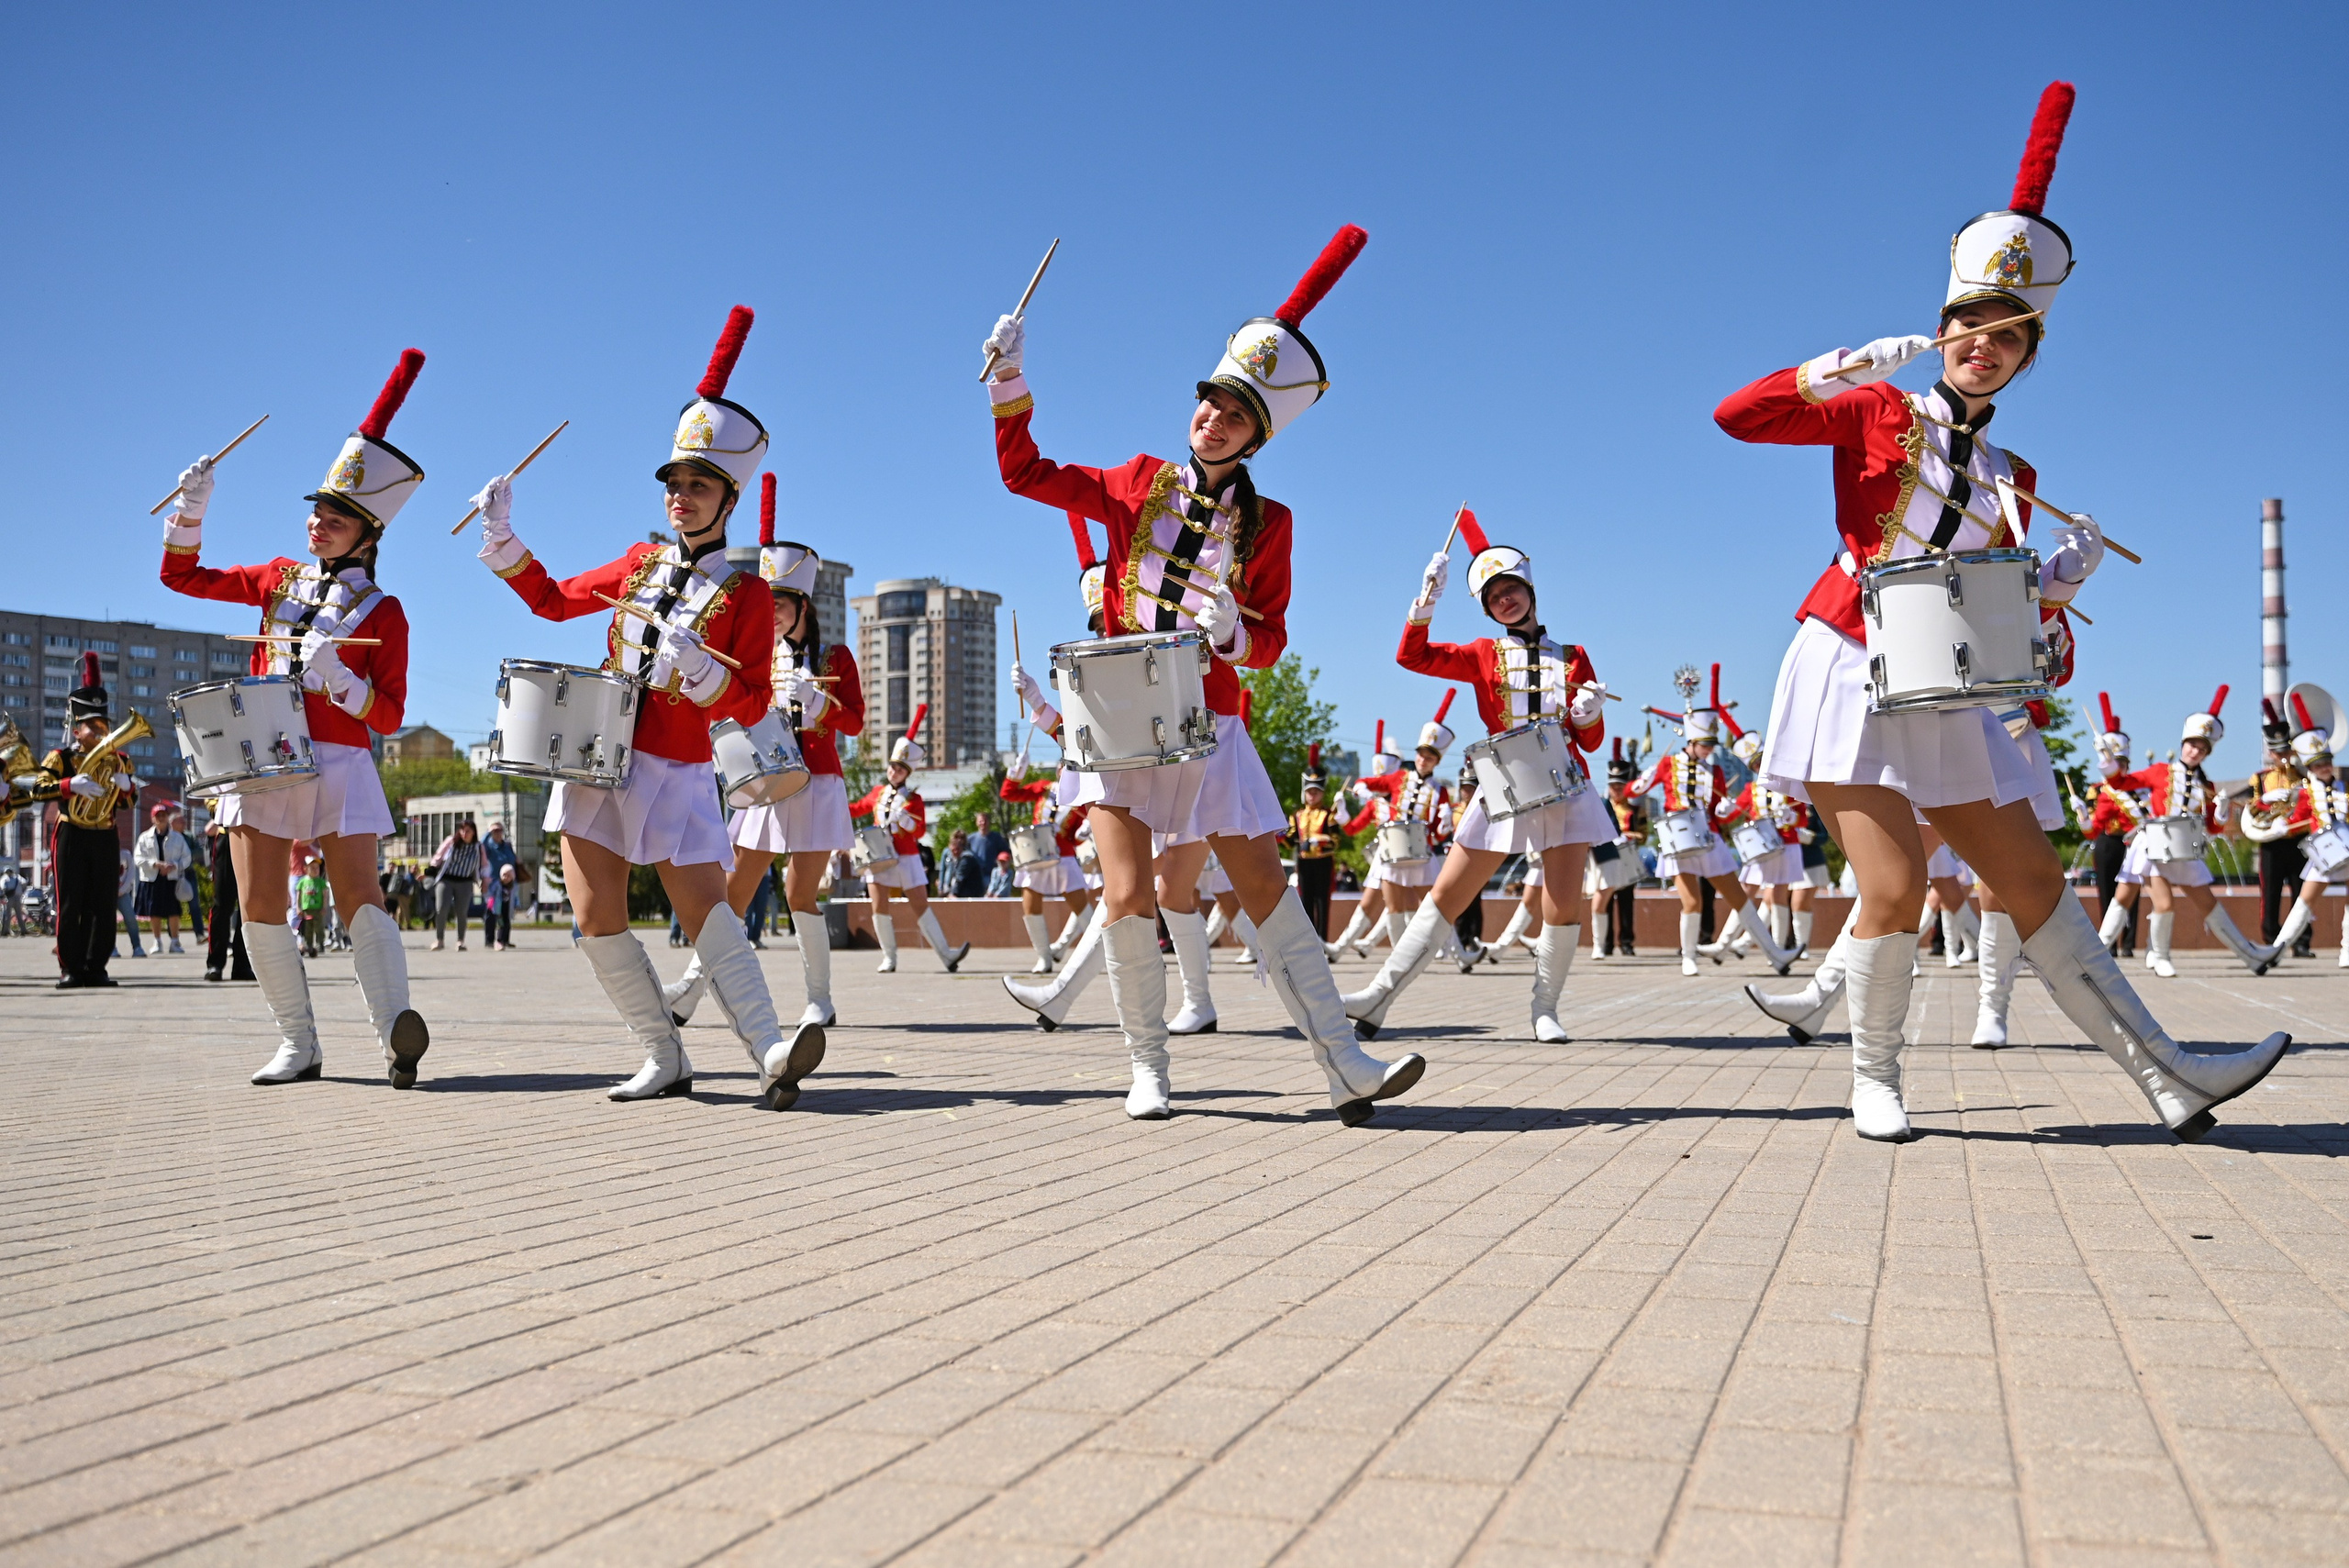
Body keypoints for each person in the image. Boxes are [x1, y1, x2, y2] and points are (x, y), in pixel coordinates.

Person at [1713, 81, 2286, 1141]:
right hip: (1848, 658)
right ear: (1943, 329)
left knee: (2030, 877)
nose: (1986, 345)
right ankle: (1873, 1078)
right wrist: (1833, 366)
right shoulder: (1882, 407)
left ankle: (2168, 1072)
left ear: (2027, 357)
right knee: (1885, 886)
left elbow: (2010, 635)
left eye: (2009, 338)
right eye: (1972, 327)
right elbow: (1736, 418)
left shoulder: (2019, 473)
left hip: (1949, 680)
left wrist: (2053, 589)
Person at [984, 222, 1426, 1123]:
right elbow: (1025, 473)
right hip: (1113, 718)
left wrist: (1233, 632)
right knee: (1124, 890)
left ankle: (1344, 1060)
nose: (1209, 417)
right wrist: (1008, 378)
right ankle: (1147, 1068)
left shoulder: (1273, 523)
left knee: (1263, 886)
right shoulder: (1131, 479)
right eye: (1205, 401)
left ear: (1255, 434)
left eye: (1230, 411)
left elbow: (1273, 640)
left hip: (1210, 722)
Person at [476, 306, 818, 1110]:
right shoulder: (638, 563)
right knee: (594, 914)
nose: (682, 498)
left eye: (699, 486)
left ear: (728, 497)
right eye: (675, 484)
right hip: (596, 756)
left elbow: (757, 699)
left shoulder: (749, 593)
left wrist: (704, 676)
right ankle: (662, 1053)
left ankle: (771, 1048)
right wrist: (505, 539)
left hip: (672, 763)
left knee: (703, 909)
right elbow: (555, 601)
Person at [161, 351, 431, 1086]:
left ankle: (392, 1033)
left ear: (368, 533)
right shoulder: (278, 578)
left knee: (360, 898)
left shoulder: (385, 611)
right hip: (259, 756)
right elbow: (182, 576)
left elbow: (393, 711)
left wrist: (341, 681)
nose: (319, 522)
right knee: (259, 902)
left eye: (336, 515)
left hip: (340, 760)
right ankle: (298, 1041)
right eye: (316, 510)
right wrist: (193, 508)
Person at [1339, 510, 1611, 1042]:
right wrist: (1427, 602)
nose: (1503, 599)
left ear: (1528, 588)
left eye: (1509, 588)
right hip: (1504, 785)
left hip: (1565, 786)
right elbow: (1410, 656)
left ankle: (1545, 1009)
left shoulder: (1575, 656)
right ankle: (1378, 996)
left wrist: (1588, 711)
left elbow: (1592, 742)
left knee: (1562, 900)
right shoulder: (1482, 654)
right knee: (1448, 892)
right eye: (1492, 597)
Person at [662, 482, 864, 1037]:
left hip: (817, 783)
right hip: (761, 778)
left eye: (779, 604)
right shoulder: (754, 652)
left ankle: (819, 999)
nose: (770, 613)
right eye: (766, 604)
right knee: (732, 890)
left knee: (801, 893)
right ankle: (691, 988)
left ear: (803, 605)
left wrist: (820, 702)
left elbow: (855, 723)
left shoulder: (834, 655)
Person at [1632, 667, 1797, 978]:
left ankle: (1775, 954)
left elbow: (1721, 810)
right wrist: (1638, 784)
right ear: (1691, 742)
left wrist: (1724, 809)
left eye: (1711, 745)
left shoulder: (1716, 771)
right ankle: (1689, 956)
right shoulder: (1668, 763)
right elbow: (1633, 792)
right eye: (1704, 745)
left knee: (1738, 897)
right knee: (1691, 901)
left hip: (1708, 838)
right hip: (1678, 838)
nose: (1709, 751)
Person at [2102, 690, 2268, 977]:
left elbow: (2214, 828)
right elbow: (2122, 782)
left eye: (2202, 749)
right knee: (2156, 902)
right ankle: (2157, 956)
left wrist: (2221, 809)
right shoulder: (2159, 771)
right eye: (2192, 745)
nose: (2195, 751)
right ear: (2183, 744)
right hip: (2154, 845)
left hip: (2185, 850)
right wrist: (2107, 761)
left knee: (2208, 904)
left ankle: (2250, 955)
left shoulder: (2208, 786)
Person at [39, 655, 140, 985]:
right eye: (91, 726)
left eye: (102, 726)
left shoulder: (120, 759)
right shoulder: (61, 757)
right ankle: (71, 967)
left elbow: (131, 802)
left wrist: (127, 787)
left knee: (102, 903)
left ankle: (97, 966)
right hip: (72, 833)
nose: (98, 732)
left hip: (105, 835)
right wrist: (70, 784)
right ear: (76, 727)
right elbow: (39, 789)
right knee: (71, 903)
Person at [850, 706, 970, 973]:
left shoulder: (914, 799)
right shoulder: (876, 792)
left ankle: (947, 955)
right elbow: (857, 808)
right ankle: (889, 957)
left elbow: (919, 831)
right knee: (878, 906)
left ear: (908, 773)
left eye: (900, 769)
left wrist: (906, 821)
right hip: (879, 856)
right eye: (893, 767)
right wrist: (833, 805)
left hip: (906, 857)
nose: (894, 772)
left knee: (920, 906)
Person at [1350, 695, 1458, 953]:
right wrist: (1362, 790)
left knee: (1436, 906)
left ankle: (1459, 954)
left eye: (1430, 757)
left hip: (1422, 855)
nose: (1423, 759)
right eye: (1421, 754)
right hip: (1394, 852)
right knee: (1394, 908)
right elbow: (1365, 782)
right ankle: (1400, 957)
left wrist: (1445, 825)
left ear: (1437, 761)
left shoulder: (1440, 791)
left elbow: (1439, 834)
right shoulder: (1398, 777)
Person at [2248, 694, 2348, 968]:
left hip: (2339, 848)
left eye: (2326, 762)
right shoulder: (2299, 790)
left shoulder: (2341, 786)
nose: (2324, 768)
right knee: (2301, 902)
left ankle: (2346, 950)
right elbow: (2296, 816)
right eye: (2317, 764)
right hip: (2319, 851)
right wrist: (2277, 820)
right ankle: (2277, 947)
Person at [1324, 721, 1400, 959]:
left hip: (1406, 853)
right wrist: (1343, 813)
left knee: (1409, 905)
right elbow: (1353, 829)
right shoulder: (1374, 803)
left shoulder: (1403, 797)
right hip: (1384, 855)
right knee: (1370, 903)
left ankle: (1455, 949)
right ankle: (1340, 947)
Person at [2082, 694, 2147, 957]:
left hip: (2132, 842)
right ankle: (2108, 943)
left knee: (2132, 893)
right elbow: (2090, 826)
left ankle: (2129, 943)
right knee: (2107, 892)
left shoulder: (2137, 788)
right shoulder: (2096, 790)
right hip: (2108, 842)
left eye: (2122, 763)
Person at [2250, 699, 2311, 955]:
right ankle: (2272, 940)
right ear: (2270, 752)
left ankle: (2302, 941)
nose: (2281, 757)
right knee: (2271, 892)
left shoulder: (2304, 776)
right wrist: (2264, 802)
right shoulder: (2261, 778)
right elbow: (2252, 810)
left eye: (2285, 751)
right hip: (2271, 841)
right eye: (2277, 752)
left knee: (2302, 892)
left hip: (2298, 840)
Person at [1587, 740, 1648, 959]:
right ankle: (1606, 944)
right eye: (1613, 786)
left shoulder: (1635, 809)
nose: (1616, 790)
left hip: (1626, 859)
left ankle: (1626, 942)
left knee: (1626, 903)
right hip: (1607, 857)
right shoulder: (1603, 806)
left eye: (1620, 786)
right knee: (1606, 900)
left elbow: (1644, 834)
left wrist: (1630, 836)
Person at [1285, 750, 1346, 939]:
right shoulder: (1297, 815)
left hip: (1323, 863)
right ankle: (1309, 941)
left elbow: (1335, 842)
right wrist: (1278, 835)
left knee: (1322, 902)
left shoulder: (1329, 815)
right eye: (1309, 791)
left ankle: (1322, 941)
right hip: (1304, 863)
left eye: (1316, 791)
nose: (1312, 795)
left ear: (1322, 792)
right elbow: (1290, 840)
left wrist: (1315, 842)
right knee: (1305, 902)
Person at [135, 805, 193, 954]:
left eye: (163, 815)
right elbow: (138, 858)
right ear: (153, 818)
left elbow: (187, 857)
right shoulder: (144, 837)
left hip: (171, 879)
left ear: (168, 818)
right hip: (152, 879)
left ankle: (175, 942)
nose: (161, 819)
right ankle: (157, 941)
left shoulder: (178, 838)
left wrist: (175, 865)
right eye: (158, 816)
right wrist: (155, 864)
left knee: (173, 911)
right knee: (154, 912)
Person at [202, 819, 252, 981]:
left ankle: (242, 965)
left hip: (253, 835)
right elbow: (212, 801)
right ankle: (215, 964)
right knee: (222, 905)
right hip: (227, 836)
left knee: (248, 905)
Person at [426, 818, 482, 951]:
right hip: (446, 879)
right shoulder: (451, 841)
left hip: (465, 881)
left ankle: (460, 941)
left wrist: (484, 881)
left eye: (467, 831)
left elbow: (483, 865)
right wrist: (431, 868)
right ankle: (439, 940)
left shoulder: (478, 846)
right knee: (441, 908)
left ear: (473, 832)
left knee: (462, 912)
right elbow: (439, 855)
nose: (464, 833)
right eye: (462, 830)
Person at [481, 822, 520, 950]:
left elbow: (513, 859)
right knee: (492, 912)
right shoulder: (488, 846)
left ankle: (504, 939)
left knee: (506, 913)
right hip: (493, 886)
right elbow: (480, 845)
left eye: (499, 830)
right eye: (494, 831)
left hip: (508, 885)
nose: (497, 833)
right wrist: (488, 831)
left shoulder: (507, 845)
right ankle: (489, 940)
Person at [295, 859, 328, 957]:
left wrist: (324, 907)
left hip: (318, 908)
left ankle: (320, 944)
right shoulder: (302, 881)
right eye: (312, 868)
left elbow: (325, 895)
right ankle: (308, 945)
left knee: (319, 927)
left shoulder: (321, 882)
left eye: (317, 868)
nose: (315, 870)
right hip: (306, 909)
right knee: (307, 928)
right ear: (306, 869)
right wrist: (298, 907)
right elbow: (298, 895)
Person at [0, 862, 24, 936]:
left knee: (7, 915)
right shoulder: (17, 877)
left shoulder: (4, 878)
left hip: (8, 898)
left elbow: (3, 887)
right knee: (19, 914)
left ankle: (5, 931)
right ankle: (23, 930)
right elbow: (24, 882)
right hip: (17, 897)